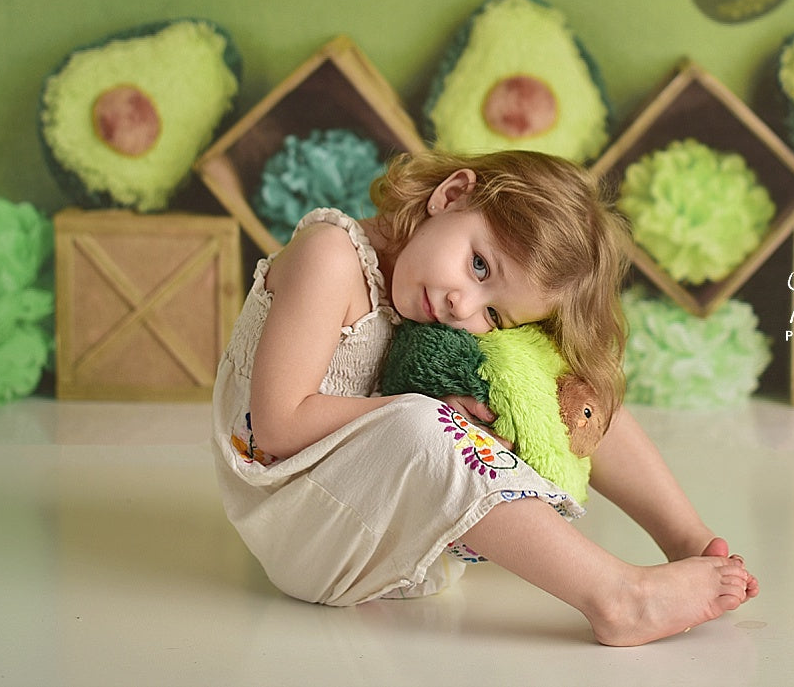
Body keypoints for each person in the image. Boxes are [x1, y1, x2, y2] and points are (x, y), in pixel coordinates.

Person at [212, 149, 758, 646]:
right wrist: (433, 414)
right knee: (423, 427)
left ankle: (685, 536)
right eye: (479, 265)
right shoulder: (330, 257)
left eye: (493, 313)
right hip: (305, 532)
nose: (462, 305)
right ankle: (618, 596)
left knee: (555, 384)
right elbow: (279, 425)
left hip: (401, 546)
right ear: (450, 196)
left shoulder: (441, 299)